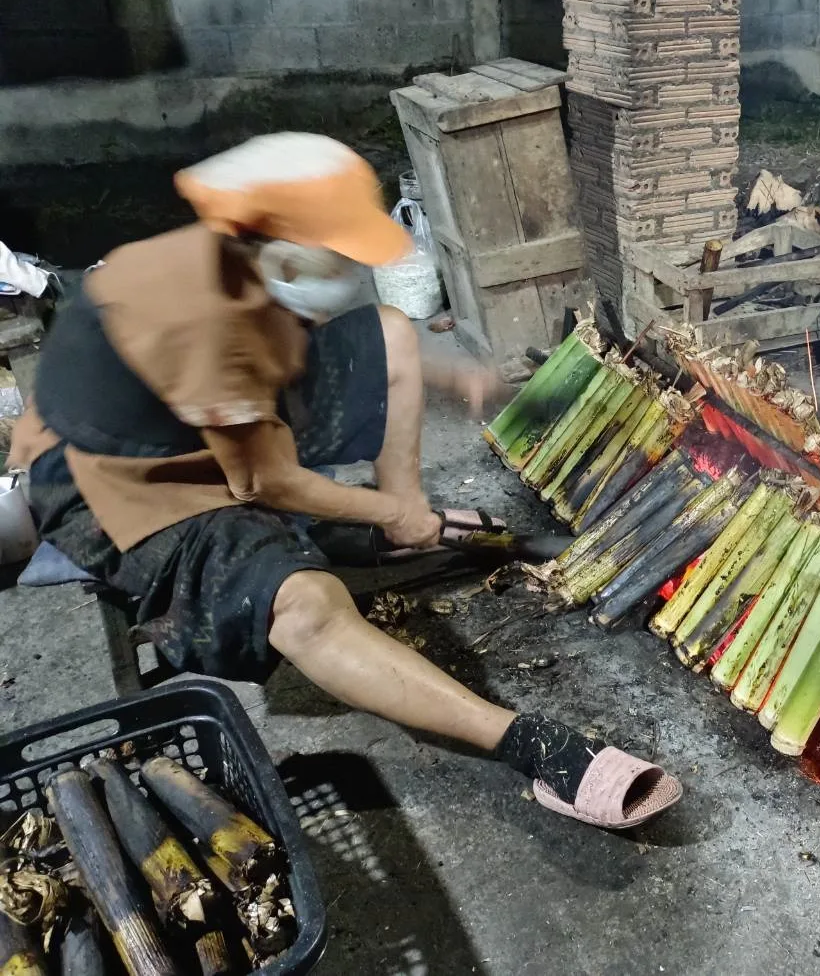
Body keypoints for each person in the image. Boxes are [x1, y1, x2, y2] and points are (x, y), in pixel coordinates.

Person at [7, 134, 680, 830]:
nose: (347, 269)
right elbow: (263, 482)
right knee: (306, 605)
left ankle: (401, 519)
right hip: (115, 487)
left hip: (195, 427)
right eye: (334, 254)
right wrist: (381, 508)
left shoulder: (237, 261)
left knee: (389, 333)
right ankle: (530, 746)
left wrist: (442, 388)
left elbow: (277, 378)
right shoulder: (201, 317)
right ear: (278, 244)